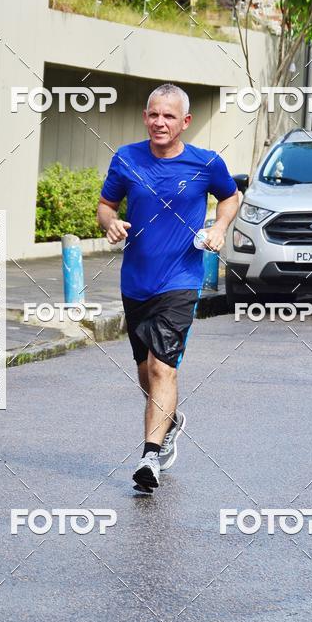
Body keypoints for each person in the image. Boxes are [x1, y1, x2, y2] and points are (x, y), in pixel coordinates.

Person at [96, 83, 239, 493]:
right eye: (154, 114)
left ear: (185, 122)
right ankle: (169, 420)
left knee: (162, 367)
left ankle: (149, 457)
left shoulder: (206, 163)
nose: (160, 122)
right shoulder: (126, 158)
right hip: (136, 282)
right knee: (146, 373)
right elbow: (106, 205)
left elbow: (231, 197)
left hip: (181, 280)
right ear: (146, 116)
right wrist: (110, 222)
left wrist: (219, 226)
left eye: (169, 116)